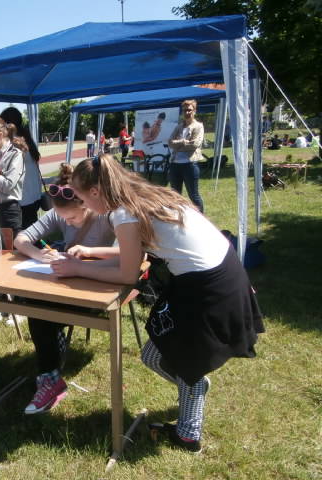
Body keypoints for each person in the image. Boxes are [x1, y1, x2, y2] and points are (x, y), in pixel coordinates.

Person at [54, 154, 263, 452]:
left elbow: (127, 274)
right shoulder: (143, 195)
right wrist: (91, 253)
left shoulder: (123, 212)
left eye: (84, 199)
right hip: (221, 273)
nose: (85, 206)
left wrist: (76, 269)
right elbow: (137, 253)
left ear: (96, 192)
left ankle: (188, 434)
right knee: (162, 354)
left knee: (178, 359)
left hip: (206, 287)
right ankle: (193, 388)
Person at [14, 163, 117, 414]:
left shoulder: (106, 214)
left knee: (39, 313)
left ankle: (50, 376)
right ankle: (50, 374)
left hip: (97, 290)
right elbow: (21, 239)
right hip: (66, 285)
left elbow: (127, 253)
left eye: (72, 219)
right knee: (35, 305)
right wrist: (39, 255)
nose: (67, 223)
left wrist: (89, 253)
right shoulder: (59, 212)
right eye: (64, 219)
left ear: (86, 204)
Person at [0, 107, 42, 229]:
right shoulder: (25, 136)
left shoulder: (12, 142)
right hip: (33, 194)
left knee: (23, 231)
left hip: (23, 197)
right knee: (32, 228)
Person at [168, 99, 205, 213]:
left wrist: (178, 144)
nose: (187, 112)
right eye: (185, 110)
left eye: (189, 110)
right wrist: (183, 142)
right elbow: (170, 142)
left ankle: (201, 218)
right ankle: (177, 217)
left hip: (190, 165)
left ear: (195, 111)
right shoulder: (178, 127)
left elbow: (195, 144)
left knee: (193, 195)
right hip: (175, 165)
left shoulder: (198, 126)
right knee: (175, 195)